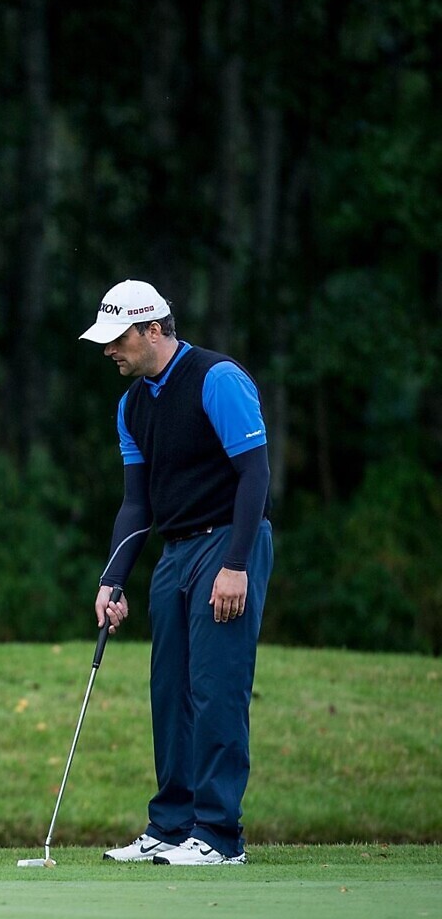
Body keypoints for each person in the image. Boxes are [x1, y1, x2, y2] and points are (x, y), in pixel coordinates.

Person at [79, 279, 273, 866]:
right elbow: (136, 504)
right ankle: (171, 824)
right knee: (169, 691)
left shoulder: (217, 379)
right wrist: (113, 579)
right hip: (176, 551)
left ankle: (219, 835)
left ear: (153, 330)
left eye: (119, 338)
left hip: (228, 543)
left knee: (216, 689)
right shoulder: (132, 404)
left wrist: (236, 564)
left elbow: (255, 475)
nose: (109, 349)